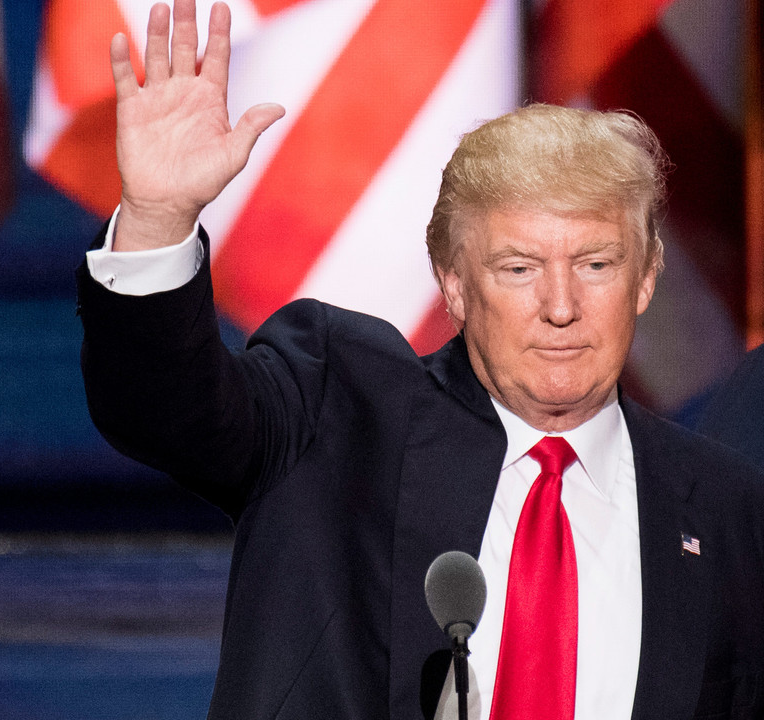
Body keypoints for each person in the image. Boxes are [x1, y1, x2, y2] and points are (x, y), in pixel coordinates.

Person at [77, 2, 764, 718]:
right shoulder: (335, 418)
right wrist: (157, 220)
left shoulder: (726, 509)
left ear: (647, 276)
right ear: (456, 284)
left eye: (595, 264)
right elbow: (167, 410)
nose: (561, 306)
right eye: (519, 268)